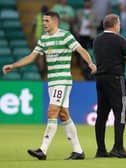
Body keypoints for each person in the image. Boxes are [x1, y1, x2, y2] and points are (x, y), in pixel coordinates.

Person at [2, 11, 96, 160]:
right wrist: (13, 65)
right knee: (64, 115)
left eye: (46, 21)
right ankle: (78, 151)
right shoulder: (44, 39)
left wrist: (90, 63)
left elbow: (81, 50)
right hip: (52, 81)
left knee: (52, 110)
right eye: (43, 21)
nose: (44, 24)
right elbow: (32, 57)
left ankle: (43, 150)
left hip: (62, 80)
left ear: (55, 22)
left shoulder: (65, 35)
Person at [93, 14, 126, 158]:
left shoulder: (97, 40)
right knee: (121, 112)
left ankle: (101, 150)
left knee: (102, 115)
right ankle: (118, 148)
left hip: (100, 79)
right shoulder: (119, 39)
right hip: (116, 78)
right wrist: (122, 58)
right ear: (116, 25)